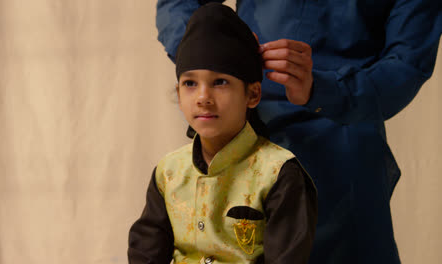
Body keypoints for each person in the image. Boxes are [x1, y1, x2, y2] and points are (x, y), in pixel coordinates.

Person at [156, 0, 441, 263]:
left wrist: (324, 89)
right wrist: (208, 54)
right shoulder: (172, 172)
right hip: (241, 134)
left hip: (341, 149)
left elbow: (407, 63)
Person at [128, 3, 317, 263]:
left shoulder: (279, 173)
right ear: (179, 93)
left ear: (252, 94)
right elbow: (146, 253)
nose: (203, 98)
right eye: (190, 83)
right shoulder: (168, 172)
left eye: (220, 82)